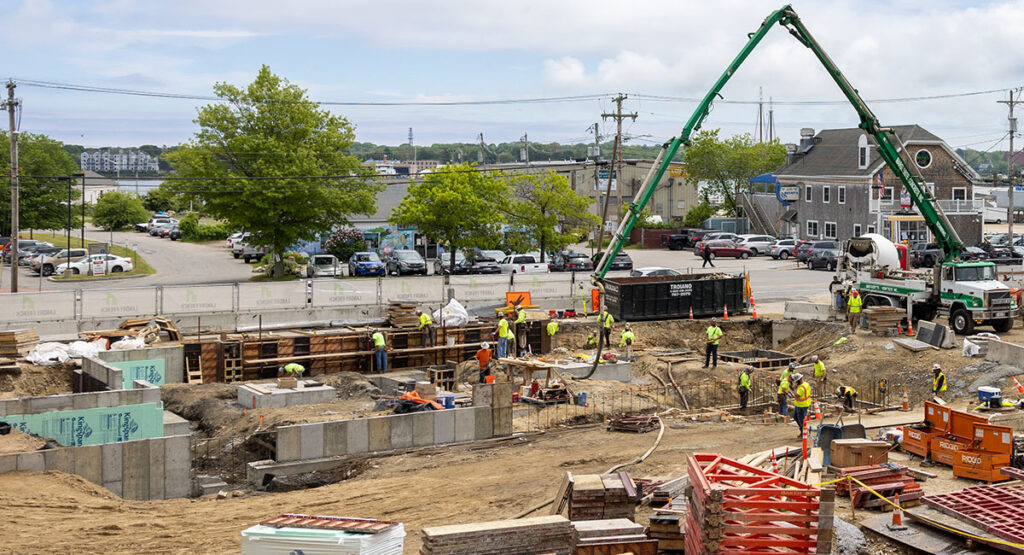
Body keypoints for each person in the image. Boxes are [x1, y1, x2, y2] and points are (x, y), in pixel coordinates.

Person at [792, 373, 812, 438]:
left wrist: (794, 388)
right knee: (795, 417)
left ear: (799, 380)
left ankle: (804, 432)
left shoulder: (802, 387)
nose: (795, 383)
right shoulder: (806, 384)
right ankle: (802, 430)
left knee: (801, 420)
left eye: (796, 381)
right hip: (799, 404)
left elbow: (796, 395)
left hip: (802, 405)